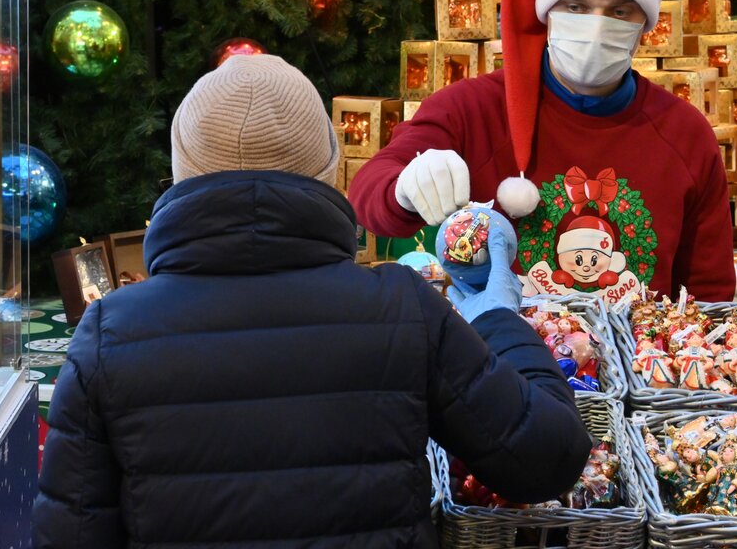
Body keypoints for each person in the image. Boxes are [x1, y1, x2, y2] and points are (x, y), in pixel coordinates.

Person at [34, 54, 591, 548]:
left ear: (182, 174)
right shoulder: (401, 308)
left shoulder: (111, 331)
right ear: (327, 172)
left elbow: (73, 531)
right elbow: (547, 458)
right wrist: (497, 316)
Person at [349, 0, 735, 303]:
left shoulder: (684, 134)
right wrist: (404, 190)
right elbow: (368, 195)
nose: (598, 25)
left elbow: (710, 293)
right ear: (547, 12)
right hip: (500, 356)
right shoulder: (469, 109)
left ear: (646, 26)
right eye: (577, 7)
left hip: (638, 362)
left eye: (620, 11)